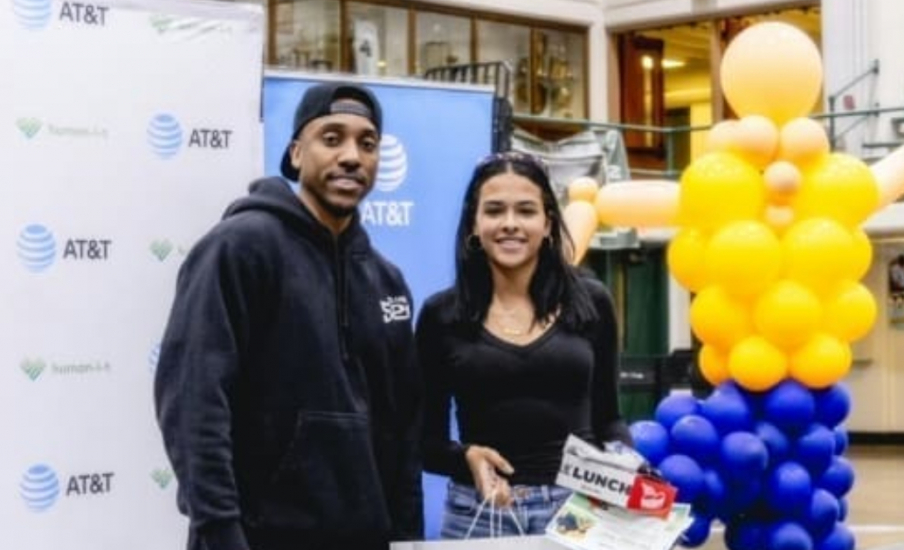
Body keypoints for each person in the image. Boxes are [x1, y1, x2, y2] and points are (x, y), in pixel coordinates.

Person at [154, 81, 423, 550]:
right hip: (255, 537)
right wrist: (220, 531)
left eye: (368, 143)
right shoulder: (239, 247)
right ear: (297, 153)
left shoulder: (387, 280)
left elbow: (402, 431)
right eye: (332, 138)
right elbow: (195, 398)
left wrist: (406, 537)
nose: (352, 157)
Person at [415, 151, 633, 538]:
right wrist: (465, 457)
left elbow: (609, 419)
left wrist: (632, 478)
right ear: (474, 224)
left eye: (526, 211)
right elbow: (423, 441)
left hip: (579, 512)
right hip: (479, 514)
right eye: (495, 210)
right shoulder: (440, 315)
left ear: (548, 223)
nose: (510, 224)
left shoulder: (591, 301)